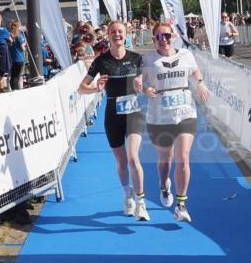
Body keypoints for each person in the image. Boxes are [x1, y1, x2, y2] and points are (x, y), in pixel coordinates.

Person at [138, 22, 210, 223]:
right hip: (159, 116)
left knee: (183, 157)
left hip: (185, 112)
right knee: (165, 159)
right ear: (154, 39)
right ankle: (163, 185)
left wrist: (200, 83)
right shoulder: (148, 60)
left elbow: (195, 71)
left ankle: (181, 205)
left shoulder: (186, 55)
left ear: (174, 37)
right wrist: (145, 89)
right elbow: (138, 81)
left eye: (167, 36)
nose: (164, 40)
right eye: (159, 37)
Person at [77, 21, 147, 219]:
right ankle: (128, 195)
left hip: (133, 112)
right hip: (112, 115)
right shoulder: (101, 61)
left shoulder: (137, 59)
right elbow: (81, 88)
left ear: (126, 34)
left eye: (120, 32)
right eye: (113, 32)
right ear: (107, 35)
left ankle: (141, 202)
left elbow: (149, 81)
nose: (117, 35)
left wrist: (144, 84)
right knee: (121, 161)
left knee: (134, 158)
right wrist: (95, 88)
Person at [8, 20, 27, 90]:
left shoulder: (11, 36)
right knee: (16, 77)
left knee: (14, 77)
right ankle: (16, 90)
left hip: (14, 59)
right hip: (19, 59)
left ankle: (15, 90)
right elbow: (23, 49)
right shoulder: (19, 36)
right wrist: (25, 43)